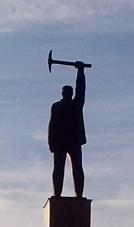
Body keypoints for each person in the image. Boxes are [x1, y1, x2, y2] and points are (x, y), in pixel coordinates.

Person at [49, 62, 87, 197]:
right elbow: (81, 89)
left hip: (62, 142)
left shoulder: (57, 106)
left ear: (63, 93)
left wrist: (51, 143)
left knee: (60, 169)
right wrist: (80, 71)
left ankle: (58, 195)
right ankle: (78, 195)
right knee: (76, 169)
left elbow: (51, 126)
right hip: (72, 142)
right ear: (70, 94)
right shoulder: (75, 104)